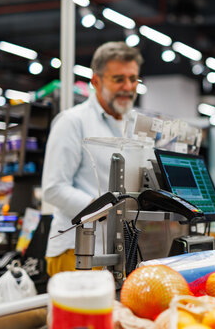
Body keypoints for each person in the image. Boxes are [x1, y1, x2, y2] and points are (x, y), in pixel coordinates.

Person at [43, 41, 143, 276]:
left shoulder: (133, 126)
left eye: (133, 79)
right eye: (118, 79)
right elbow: (54, 188)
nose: (128, 87)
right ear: (96, 81)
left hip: (121, 251)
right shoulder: (72, 122)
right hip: (77, 252)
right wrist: (105, 210)